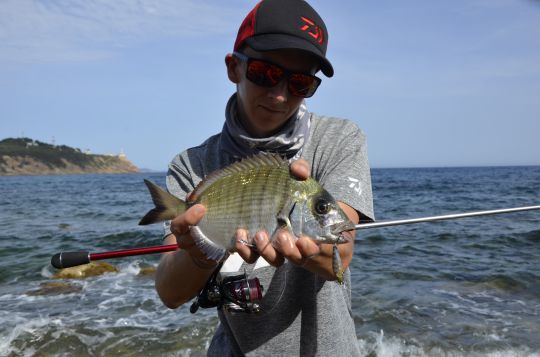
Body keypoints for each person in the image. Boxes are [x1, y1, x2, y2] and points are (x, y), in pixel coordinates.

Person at [155, 0, 374, 355]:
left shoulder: (339, 139)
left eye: (300, 82)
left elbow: (340, 250)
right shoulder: (191, 166)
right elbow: (169, 292)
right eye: (265, 73)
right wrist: (197, 253)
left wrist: (310, 250)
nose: (279, 94)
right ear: (233, 67)